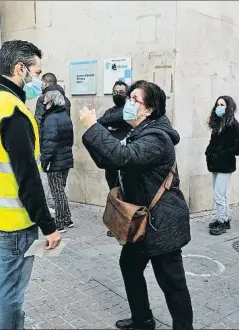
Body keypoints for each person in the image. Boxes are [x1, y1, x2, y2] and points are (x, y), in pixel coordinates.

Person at [79, 80, 193, 330]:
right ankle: (143, 320)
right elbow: (107, 160)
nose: (128, 103)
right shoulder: (138, 131)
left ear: (149, 109)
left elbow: (121, 157)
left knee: (172, 284)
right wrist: (95, 130)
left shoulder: (157, 137)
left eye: (134, 100)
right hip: (142, 220)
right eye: (128, 98)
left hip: (163, 222)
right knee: (129, 266)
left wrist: (90, 127)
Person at [0, 40, 61, 330]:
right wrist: (49, 226)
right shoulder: (14, 113)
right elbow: (28, 180)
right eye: (36, 71)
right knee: (12, 290)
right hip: (14, 219)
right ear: (20, 69)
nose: (38, 81)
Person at [98, 81, 133, 237]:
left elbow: (120, 117)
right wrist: (108, 125)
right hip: (110, 159)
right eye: (115, 91)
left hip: (123, 158)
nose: (118, 94)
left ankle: (127, 224)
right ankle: (116, 224)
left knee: (124, 192)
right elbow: (99, 125)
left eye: (121, 91)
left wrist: (108, 124)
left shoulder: (130, 110)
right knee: (114, 191)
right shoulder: (110, 111)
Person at [205, 96, 239, 235]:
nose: (219, 107)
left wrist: (224, 152)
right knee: (220, 193)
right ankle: (224, 218)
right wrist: (209, 152)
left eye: (222, 104)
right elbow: (213, 142)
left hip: (225, 164)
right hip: (215, 163)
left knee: (218, 194)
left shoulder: (233, 125)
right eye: (217, 104)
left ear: (228, 107)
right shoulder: (218, 123)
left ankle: (221, 222)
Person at [35, 73, 70, 213]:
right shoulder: (66, 100)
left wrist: (40, 147)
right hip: (65, 145)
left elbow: (38, 122)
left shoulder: (43, 99)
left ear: (45, 83)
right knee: (62, 183)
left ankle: (52, 209)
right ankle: (63, 209)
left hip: (48, 143)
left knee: (46, 176)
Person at [40, 90, 74, 232]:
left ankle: (59, 223)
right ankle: (67, 219)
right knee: (60, 190)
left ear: (52, 103)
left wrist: (45, 159)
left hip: (54, 161)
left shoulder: (51, 119)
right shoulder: (64, 116)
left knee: (57, 192)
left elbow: (49, 142)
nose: (44, 104)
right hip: (65, 159)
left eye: (46, 102)